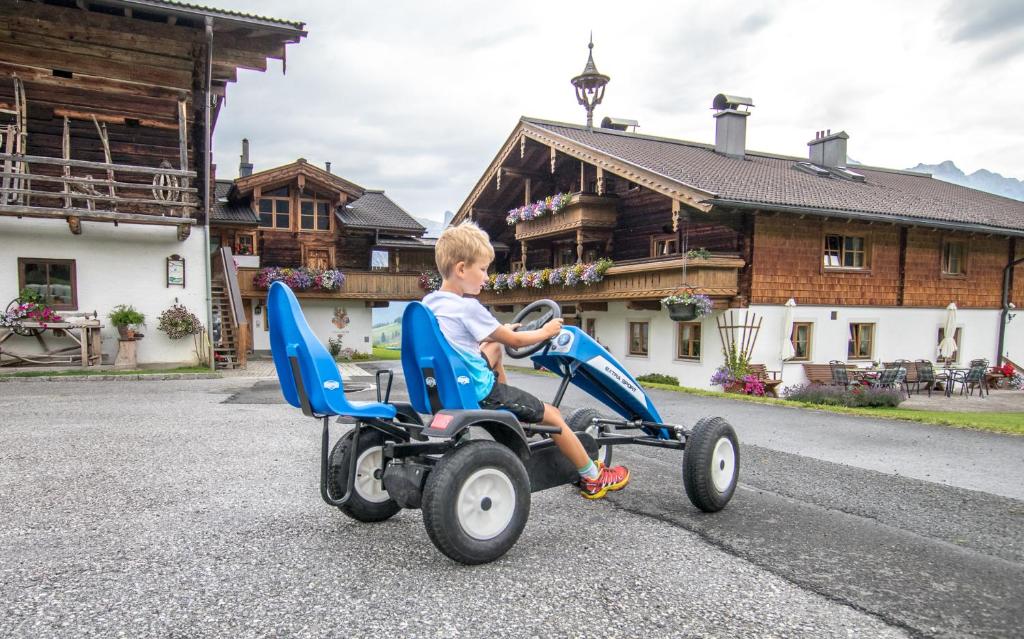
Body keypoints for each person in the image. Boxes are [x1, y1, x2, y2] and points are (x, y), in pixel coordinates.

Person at [423, 221, 630, 499]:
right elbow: (516, 342)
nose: (486, 277)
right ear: (461, 269)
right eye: (482, 269)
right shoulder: (468, 306)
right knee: (552, 415)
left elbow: (475, 339)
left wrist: (501, 332)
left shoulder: (430, 303)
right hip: (478, 392)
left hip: (445, 385)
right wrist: (546, 331)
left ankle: (511, 416)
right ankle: (593, 477)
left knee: (493, 345)